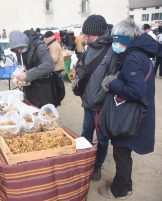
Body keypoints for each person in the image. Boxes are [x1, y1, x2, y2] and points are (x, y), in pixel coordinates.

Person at [98, 17, 157, 199]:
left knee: (122, 155)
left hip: (129, 116)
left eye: (116, 40)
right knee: (124, 153)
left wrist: (113, 83)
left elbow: (136, 91)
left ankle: (119, 191)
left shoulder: (132, 57)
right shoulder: (140, 54)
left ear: (125, 39)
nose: (114, 44)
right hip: (137, 114)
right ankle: (124, 184)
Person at [79, 14, 119, 180]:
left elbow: (112, 78)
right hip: (88, 102)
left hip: (101, 105)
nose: (85, 38)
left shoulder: (112, 50)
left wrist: (98, 99)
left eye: (88, 35)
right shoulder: (89, 47)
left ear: (98, 33)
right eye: (85, 35)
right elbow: (87, 71)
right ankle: (85, 161)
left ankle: (97, 165)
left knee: (102, 138)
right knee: (86, 133)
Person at [9, 30, 56, 108]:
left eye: (20, 48)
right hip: (30, 88)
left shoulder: (40, 47)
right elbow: (23, 65)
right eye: (16, 49)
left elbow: (50, 65)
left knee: (44, 112)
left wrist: (27, 74)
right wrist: (21, 71)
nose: (19, 51)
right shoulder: (19, 51)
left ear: (24, 42)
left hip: (44, 88)